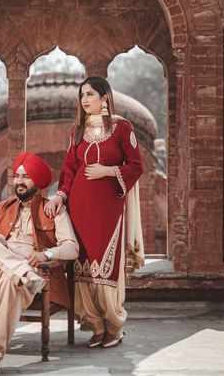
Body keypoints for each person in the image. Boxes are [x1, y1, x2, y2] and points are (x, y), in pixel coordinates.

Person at [0, 152, 79, 376]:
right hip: (0, 269)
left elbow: (72, 248)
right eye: (17, 175)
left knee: (11, 279)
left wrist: (46, 255)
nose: (19, 181)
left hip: (33, 269)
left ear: (38, 182)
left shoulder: (53, 210)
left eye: (26, 176)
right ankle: (21, 271)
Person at [44, 76, 144, 349]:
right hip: (79, 208)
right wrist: (60, 195)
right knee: (82, 267)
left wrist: (108, 171)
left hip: (108, 208)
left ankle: (113, 325)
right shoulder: (77, 130)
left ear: (104, 97)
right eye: (81, 95)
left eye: (89, 94)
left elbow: (136, 166)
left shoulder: (122, 128)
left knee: (104, 268)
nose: (84, 100)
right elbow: (69, 169)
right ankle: (95, 325)